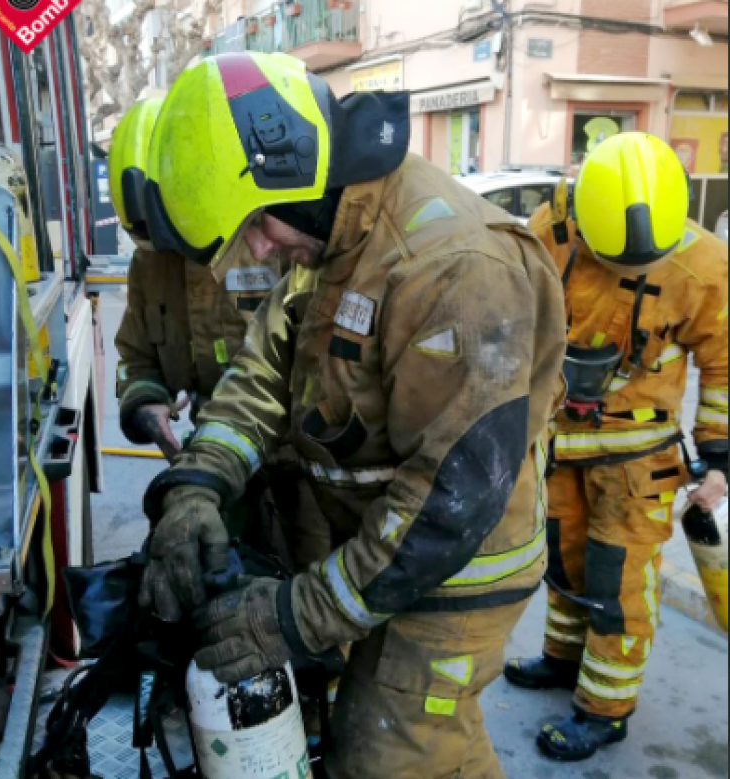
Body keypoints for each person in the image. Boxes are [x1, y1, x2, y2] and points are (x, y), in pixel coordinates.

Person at [138, 51, 567, 779]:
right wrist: (199, 482)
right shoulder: (333, 238)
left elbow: (448, 504)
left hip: (453, 574)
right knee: (435, 750)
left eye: (259, 224)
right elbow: (264, 369)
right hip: (384, 551)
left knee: (382, 759)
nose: (259, 247)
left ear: (297, 170)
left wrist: (294, 615)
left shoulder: (454, 267)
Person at [506, 133, 729, 763]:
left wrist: (717, 459)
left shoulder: (704, 266)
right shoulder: (549, 232)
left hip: (639, 463)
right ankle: (562, 658)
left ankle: (605, 709)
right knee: (563, 560)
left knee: (618, 579)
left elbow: (723, 365)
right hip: (559, 445)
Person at [108, 97, 329, 570]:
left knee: (310, 592)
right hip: (218, 469)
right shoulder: (150, 264)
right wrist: (145, 404)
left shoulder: (275, 240)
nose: (166, 253)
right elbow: (135, 354)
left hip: (307, 480)